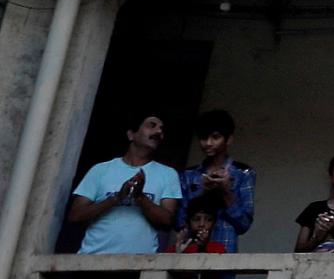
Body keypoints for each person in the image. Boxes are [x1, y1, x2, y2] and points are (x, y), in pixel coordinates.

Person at [65, 109, 180, 255]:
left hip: (138, 265)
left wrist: (140, 197)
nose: (158, 131)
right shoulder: (101, 170)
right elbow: (75, 215)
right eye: (151, 125)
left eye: (161, 129)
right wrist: (116, 198)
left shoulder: (168, 174)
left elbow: (167, 221)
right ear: (131, 134)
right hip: (92, 261)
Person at [176, 108, 255, 254]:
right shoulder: (188, 175)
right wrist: (202, 192)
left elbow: (244, 225)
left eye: (215, 137)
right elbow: (179, 222)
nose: (208, 143)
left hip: (225, 254)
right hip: (190, 255)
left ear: (229, 139)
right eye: (203, 138)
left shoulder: (243, 173)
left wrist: (226, 192)